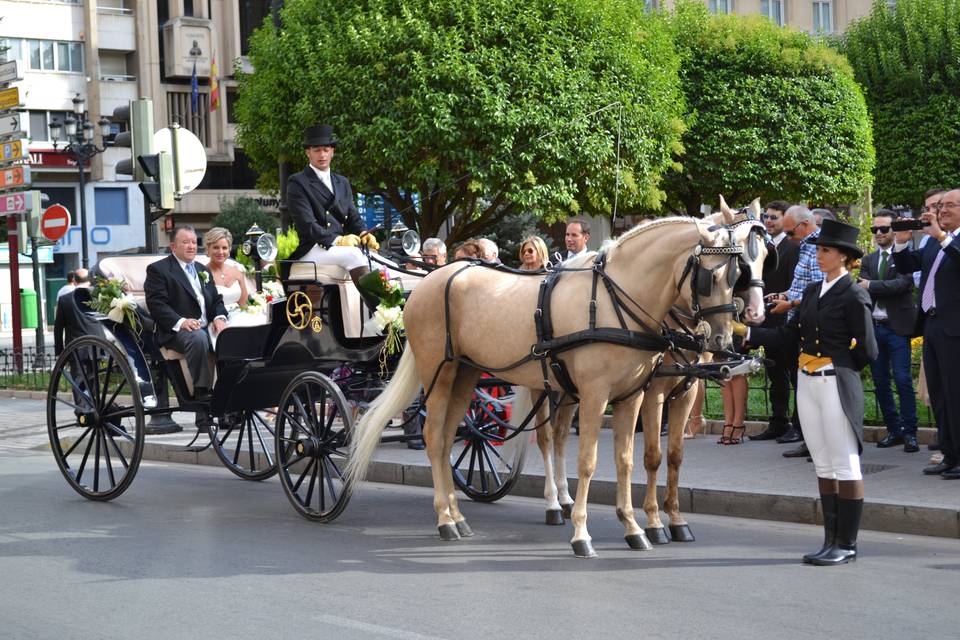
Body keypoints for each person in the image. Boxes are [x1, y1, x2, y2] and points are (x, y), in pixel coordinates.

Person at [741, 219, 877, 565]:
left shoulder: (854, 293)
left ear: (845, 258)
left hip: (834, 381)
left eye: (825, 250)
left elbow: (868, 350)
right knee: (823, 463)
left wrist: (839, 367)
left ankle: (846, 544)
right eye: (817, 249)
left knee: (845, 462)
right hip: (808, 381)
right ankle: (830, 540)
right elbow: (789, 338)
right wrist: (746, 335)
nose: (818, 255)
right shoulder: (814, 292)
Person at [893, 187, 960, 479]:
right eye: (939, 206)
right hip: (932, 325)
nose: (941, 211)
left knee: (957, 393)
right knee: (940, 394)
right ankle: (949, 453)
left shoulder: (944, 240)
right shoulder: (935, 242)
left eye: (948, 206)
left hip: (955, 329)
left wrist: (942, 237)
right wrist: (901, 243)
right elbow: (908, 266)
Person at [285, 123, 380, 309]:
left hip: (337, 248)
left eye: (326, 149)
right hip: (313, 247)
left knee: (379, 259)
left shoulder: (342, 182)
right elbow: (307, 225)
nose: (322, 155)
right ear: (308, 153)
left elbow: (352, 216)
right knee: (354, 255)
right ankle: (382, 313)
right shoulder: (298, 182)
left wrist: (363, 233)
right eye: (316, 150)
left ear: (332, 151)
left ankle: (397, 309)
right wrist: (339, 240)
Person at [858, 209, 919, 453]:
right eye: (875, 230)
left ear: (894, 231)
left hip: (898, 328)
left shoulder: (906, 256)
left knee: (903, 380)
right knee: (881, 382)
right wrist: (875, 286)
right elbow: (861, 288)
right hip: (875, 328)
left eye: (884, 229)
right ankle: (893, 430)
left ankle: (911, 433)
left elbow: (903, 285)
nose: (879, 233)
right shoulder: (869, 259)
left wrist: (873, 285)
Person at [144, 226, 228, 403]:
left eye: (193, 242)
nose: (191, 246)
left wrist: (219, 318)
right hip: (176, 332)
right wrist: (181, 322)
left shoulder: (201, 269)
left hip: (207, 327)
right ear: (173, 246)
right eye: (185, 242)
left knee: (232, 336)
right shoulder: (158, 270)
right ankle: (202, 391)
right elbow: (156, 304)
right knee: (197, 337)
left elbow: (216, 300)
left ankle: (230, 392)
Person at [767, 205, 822, 457]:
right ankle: (807, 438)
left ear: (804, 225)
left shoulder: (818, 246)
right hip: (798, 322)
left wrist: (790, 303)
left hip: (812, 325)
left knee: (810, 384)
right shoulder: (805, 246)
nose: (789, 238)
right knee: (802, 381)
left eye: (790, 233)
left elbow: (819, 291)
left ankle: (815, 441)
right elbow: (801, 285)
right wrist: (783, 295)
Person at [750, 201, 802, 441]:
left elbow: (796, 284)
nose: (769, 221)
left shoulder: (794, 247)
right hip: (768, 319)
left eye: (774, 217)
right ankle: (778, 421)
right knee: (775, 374)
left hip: (788, 320)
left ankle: (798, 425)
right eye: (766, 217)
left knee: (794, 374)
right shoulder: (762, 245)